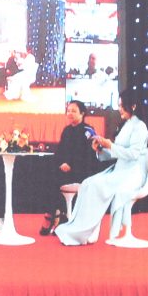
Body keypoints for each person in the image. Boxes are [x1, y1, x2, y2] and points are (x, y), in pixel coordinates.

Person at [55, 88, 148, 246]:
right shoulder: (126, 125)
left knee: (94, 186)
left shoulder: (140, 127)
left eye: (122, 106)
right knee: (87, 184)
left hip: (131, 173)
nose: (119, 109)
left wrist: (109, 145)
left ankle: (87, 230)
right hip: (120, 170)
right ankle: (83, 230)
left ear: (133, 106)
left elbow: (133, 154)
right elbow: (116, 153)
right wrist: (100, 149)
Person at [41, 100, 100, 235]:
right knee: (46, 175)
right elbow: (59, 152)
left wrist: (71, 165)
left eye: (74, 111)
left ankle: (52, 215)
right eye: (68, 111)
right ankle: (57, 214)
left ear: (82, 113)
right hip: (65, 170)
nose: (70, 113)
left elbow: (88, 155)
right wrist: (61, 163)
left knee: (53, 179)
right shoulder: (66, 130)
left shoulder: (88, 131)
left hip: (82, 171)